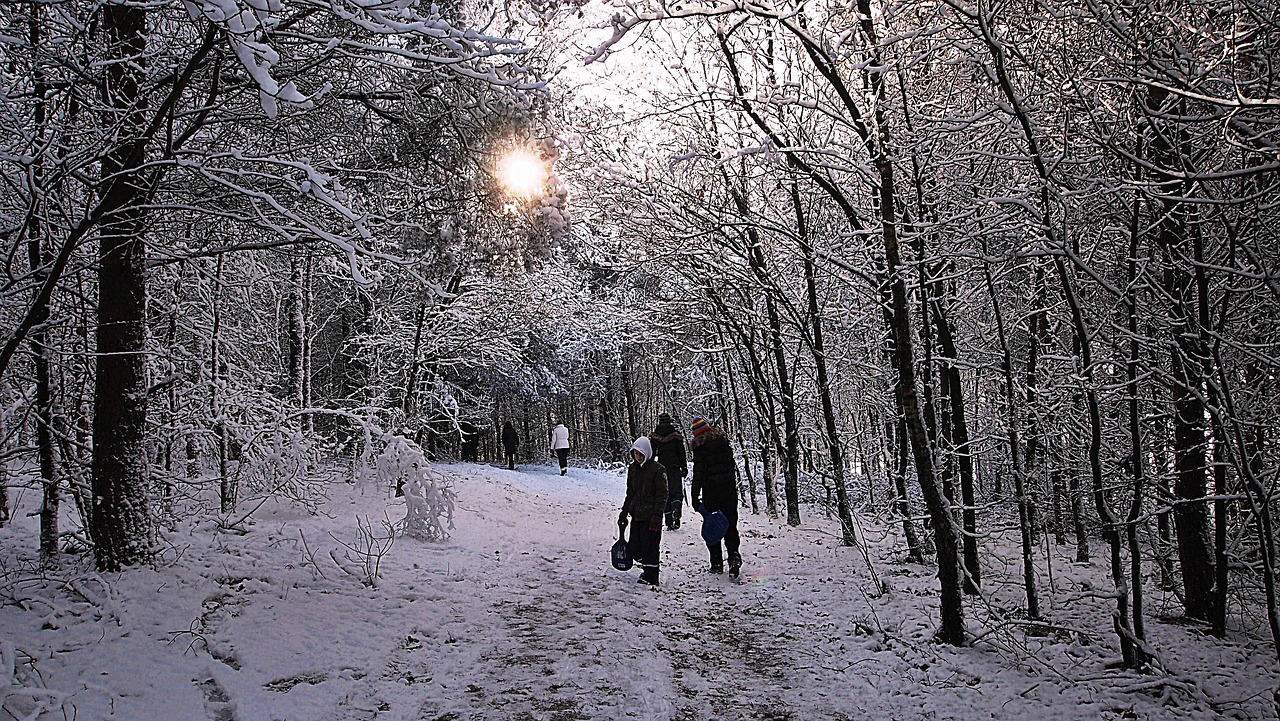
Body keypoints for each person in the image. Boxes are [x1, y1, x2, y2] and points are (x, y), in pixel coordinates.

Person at [689, 416, 742, 577]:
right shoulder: (724, 443)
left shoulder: (700, 448)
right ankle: (734, 556)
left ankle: (716, 563)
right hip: (729, 491)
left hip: (711, 493)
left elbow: (698, 474)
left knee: (714, 525)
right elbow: (732, 468)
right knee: (730, 525)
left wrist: (694, 496)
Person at [618, 436, 667, 586]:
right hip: (637, 514)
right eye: (635, 454)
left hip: (651, 516)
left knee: (650, 547)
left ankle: (652, 576)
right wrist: (624, 511)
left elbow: (662, 494)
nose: (638, 457)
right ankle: (646, 568)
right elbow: (630, 493)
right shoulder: (633, 469)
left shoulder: (658, 469)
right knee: (635, 546)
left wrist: (657, 515)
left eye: (641, 454)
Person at [648, 412, 687, 531]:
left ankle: (669, 521)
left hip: (661, 468)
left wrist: (649, 467)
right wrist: (684, 467)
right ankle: (676, 509)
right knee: (677, 493)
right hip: (675, 468)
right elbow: (681, 452)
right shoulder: (676, 436)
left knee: (665, 494)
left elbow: (652, 453)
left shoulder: (655, 437)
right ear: (669, 421)